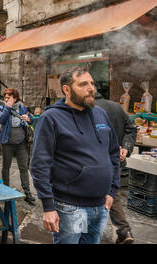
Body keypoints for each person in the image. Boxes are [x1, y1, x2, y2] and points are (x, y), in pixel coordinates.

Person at [30, 66, 120, 244]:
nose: (91, 88)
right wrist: (48, 206)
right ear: (67, 89)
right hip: (72, 208)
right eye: (83, 84)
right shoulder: (52, 118)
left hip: (101, 206)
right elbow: (40, 164)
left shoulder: (100, 114)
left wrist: (112, 190)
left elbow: (114, 153)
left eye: (92, 83)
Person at [95, 92, 137, 244]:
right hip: (116, 159)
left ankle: (92, 232)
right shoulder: (116, 107)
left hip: (98, 161)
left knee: (97, 194)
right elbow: (131, 129)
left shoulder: (89, 109)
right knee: (114, 193)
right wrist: (125, 147)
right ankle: (123, 230)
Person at [0, 88, 36, 205]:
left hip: (21, 143)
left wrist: (29, 119)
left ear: (15, 98)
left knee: (23, 167)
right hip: (7, 143)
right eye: (5, 97)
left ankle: (27, 192)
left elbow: (31, 119)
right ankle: (6, 189)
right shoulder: (2, 108)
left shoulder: (22, 107)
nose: (6, 99)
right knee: (6, 166)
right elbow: (1, 119)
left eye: (9, 97)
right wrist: (7, 107)